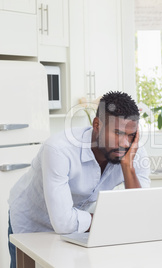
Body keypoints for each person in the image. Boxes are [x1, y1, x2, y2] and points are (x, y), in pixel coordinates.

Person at [8, 91, 150, 267]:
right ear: (97, 125)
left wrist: (128, 167)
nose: (125, 143)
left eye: (130, 135)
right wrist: (110, 220)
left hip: (79, 227)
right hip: (33, 222)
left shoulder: (132, 151)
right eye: (118, 133)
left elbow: (140, 212)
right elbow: (63, 222)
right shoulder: (59, 149)